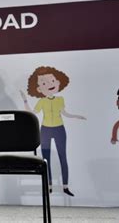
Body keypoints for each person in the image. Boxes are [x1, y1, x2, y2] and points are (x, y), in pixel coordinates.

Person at [21, 66, 86, 196]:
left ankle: (65, 186)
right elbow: (32, 112)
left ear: (57, 82)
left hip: (59, 129)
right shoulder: (41, 101)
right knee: (46, 159)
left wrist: (76, 116)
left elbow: (64, 113)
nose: (49, 85)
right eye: (44, 83)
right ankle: (49, 185)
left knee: (63, 157)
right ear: (39, 88)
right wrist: (25, 100)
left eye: (52, 81)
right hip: (45, 129)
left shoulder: (60, 99)